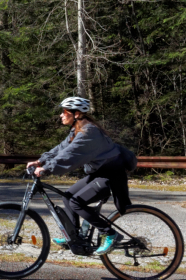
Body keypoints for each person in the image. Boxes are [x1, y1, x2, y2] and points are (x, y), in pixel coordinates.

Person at [27, 96, 131, 255]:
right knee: (68, 196)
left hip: (111, 175)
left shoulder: (89, 132)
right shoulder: (78, 130)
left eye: (64, 112)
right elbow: (61, 148)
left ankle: (110, 233)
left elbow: (70, 154)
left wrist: (47, 168)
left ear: (76, 114)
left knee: (76, 202)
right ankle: (74, 236)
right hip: (99, 173)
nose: (61, 115)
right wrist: (41, 161)